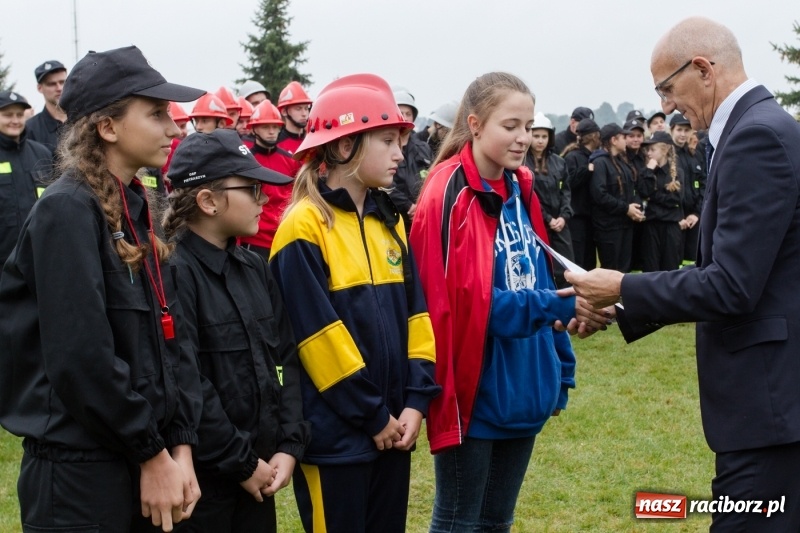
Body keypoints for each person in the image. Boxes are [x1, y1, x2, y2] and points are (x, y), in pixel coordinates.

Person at [566, 17, 800, 531]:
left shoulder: (756, 136)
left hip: (769, 408)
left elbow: (731, 285)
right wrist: (620, 306)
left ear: (703, 70)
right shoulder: (757, 127)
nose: (667, 105)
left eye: (667, 89)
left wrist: (622, 284)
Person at [0, 45, 206, 532]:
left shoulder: (136, 207)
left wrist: (179, 445)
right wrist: (151, 452)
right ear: (108, 127)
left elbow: (170, 338)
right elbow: (81, 357)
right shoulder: (67, 211)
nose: (174, 129)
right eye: (156, 114)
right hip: (81, 475)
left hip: (143, 458)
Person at [409, 72, 608, 533]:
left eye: (529, 126)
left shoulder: (521, 186)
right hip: (475, 392)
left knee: (497, 521)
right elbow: (465, 307)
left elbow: (538, 274)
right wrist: (561, 306)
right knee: (458, 520)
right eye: (510, 126)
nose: (523, 138)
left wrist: (559, 369)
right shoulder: (448, 192)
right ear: (475, 124)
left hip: (524, 387)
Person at [269, 73, 441, 533]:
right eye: (387, 141)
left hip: (393, 429)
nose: (400, 153)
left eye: (400, 140)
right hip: (336, 440)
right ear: (345, 146)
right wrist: (372, 414)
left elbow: (417, 315)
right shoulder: (304, 226)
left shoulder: (391, 221)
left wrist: (415, 401)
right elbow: (316, 338)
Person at [162, 129, 309, 533]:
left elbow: (285, 359)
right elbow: (187, 379)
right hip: (206, 484)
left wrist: (289, 444)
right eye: (252, 189)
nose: (265, 199)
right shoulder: (174, 273)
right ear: (208, 201)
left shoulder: (254, 267)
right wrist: (241, 462)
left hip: (260, 474)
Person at [239, 100, 300, 260]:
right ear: (254, 129)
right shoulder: (245, 161)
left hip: (285, 236)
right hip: (254, 240)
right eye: (266, 127)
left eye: (275, 127)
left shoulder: (291, 160)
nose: (272, 132)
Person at [0, 91, 52, 267]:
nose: (15, 120)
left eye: (19, 115)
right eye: (8, 115)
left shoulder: (42, 154)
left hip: (40, 259)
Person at [524, 112, 573, 288]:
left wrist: (564, 216)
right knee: (540, 266)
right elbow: (528, 195)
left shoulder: (559, 162)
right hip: (536, 225)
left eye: (544, 137)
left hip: (560, 224)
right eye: (536, 136)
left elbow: (566, 191)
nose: (540, 141)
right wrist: (547, 218)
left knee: (566, 267)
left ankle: (567, 301)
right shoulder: (522, 163)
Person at [589, 123, 643, 273]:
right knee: (611, 270)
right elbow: (599, 195)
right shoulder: (600, 162)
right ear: (614, 140)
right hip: (608, 228)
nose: (626, 140)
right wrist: (626, 209)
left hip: (625, 225)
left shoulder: (622, 162)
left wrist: (635, 208)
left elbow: (631, 189)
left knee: (624, 270)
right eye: (624, 137)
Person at [637, 130, 684, 272]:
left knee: (669, 267)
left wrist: (653, 196)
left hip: (670, 226)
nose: (649, 153)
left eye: (653, 149)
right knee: (650, 267)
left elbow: (675, 199)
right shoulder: (647, 171)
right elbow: (643, 192)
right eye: (648, 150)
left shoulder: (676, 173)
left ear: (665, 150)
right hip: (651, 225)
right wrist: (649, 172)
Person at [390, 87, 433, 231]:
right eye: (400, 113)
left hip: (423, 219)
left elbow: (432, 179)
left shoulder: (423, 148)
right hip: (394, 219)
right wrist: (408, 206)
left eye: (408, 114)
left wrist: (423, 206)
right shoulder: (383, 147)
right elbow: (383, 186)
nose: (405, 117)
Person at [563, 117, 601, 271]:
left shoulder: (595, 156)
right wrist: (586, 171)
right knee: (578, 259)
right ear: (594, 136)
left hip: (591, 218)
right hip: (576, 218)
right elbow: (569, 182)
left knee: (589, 260)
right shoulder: (573, 157)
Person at [669, 112, 705, 262]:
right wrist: (677, 217)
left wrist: (696, 213)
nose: (683, 134)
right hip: (674, 219)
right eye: (679, 130)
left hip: (693, 218)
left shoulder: (694, 155)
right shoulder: (667, 156)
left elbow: (704, 185)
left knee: (692, 260)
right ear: (671, 130)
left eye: (686, 130)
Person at [25, 60, 67, 154]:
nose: (59, 88)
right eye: (51, 84)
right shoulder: (30, 129)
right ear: (39, 88)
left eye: (62, 82)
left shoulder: (82, 121)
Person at [276, 81, 312, 154]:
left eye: (306, 108)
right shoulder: (276, 144)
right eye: (298, 109)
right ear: (284, 112)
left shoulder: (313, 140)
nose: (304, 114)